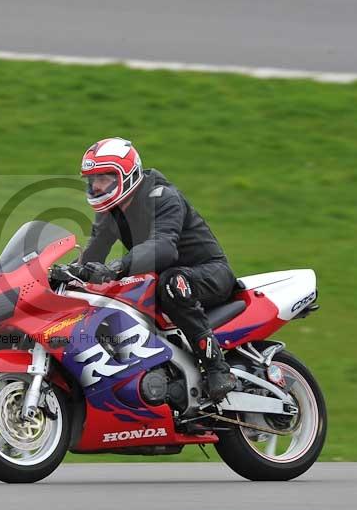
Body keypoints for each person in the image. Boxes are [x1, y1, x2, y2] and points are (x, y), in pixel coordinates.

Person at [76, 137, 237, 402]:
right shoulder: (110, 212)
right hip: (163, 280)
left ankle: (216, 367)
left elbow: (163, 248)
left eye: (104, 177)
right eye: (92, 179)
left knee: (173, 283)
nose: (95, 186)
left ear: (127, 174)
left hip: (208, 272)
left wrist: (118, 267)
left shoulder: (162, 197)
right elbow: (92, 255)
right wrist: (65, 274)